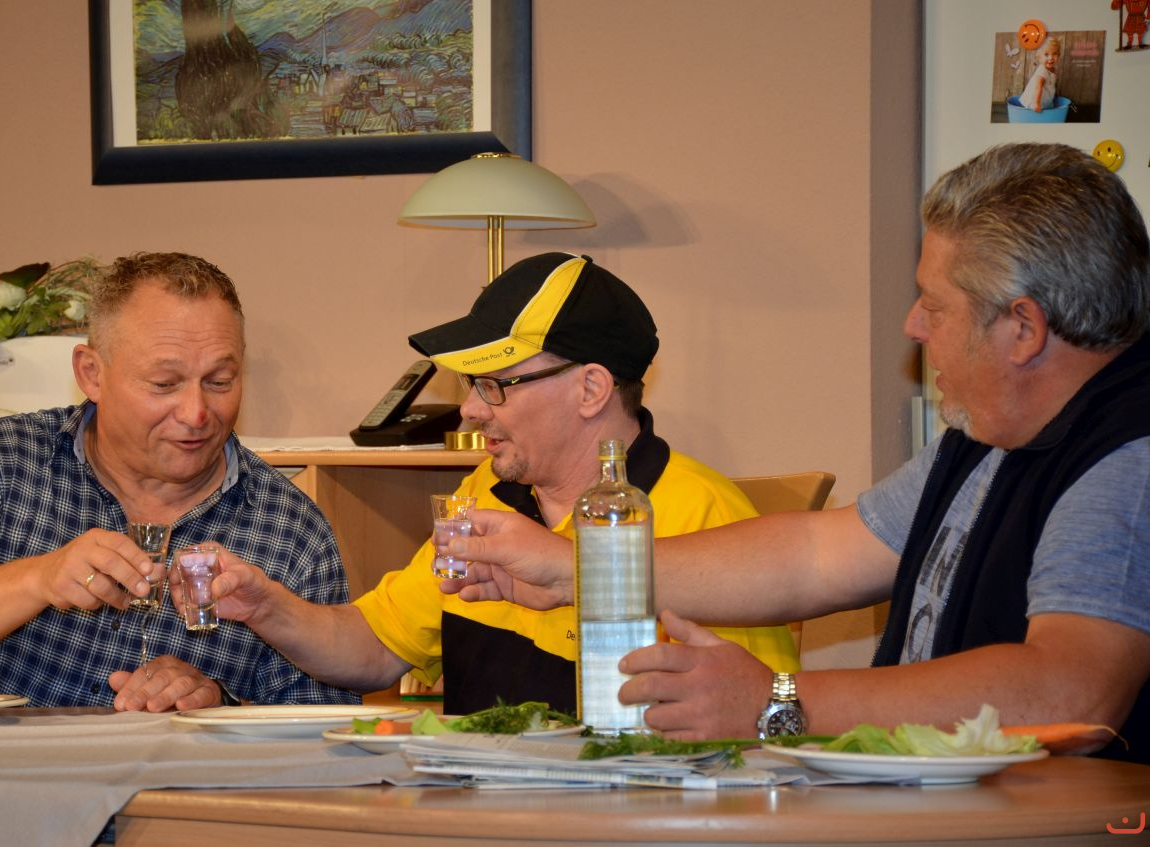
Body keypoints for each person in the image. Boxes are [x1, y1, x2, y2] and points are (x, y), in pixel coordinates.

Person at [441, 144, 1150, 763]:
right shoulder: (988, 436)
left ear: (1023, 328)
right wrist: (576, 569)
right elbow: (818, 555)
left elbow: (1071, 692)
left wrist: (778, 700)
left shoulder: (1129, 457)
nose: (912, 326)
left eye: (934, 307)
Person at [207, 252, 801, 715]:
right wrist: (268, 608)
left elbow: (755, 724)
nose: (470, 410)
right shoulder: (483, 494)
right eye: (471, 384)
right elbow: (373, 649)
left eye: (494, 385)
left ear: (591, 389)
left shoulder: (704, 514)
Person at [0, 252, 358, 711]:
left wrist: (217, 706)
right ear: (91, 375)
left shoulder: (290, 528)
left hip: (180, 776)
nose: (196, 413)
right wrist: (38, 579)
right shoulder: (4, 460)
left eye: (219, 382)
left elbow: (322, 722)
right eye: (164, 384)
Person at [1019, 37, 1060, 112]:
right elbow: (1038, 87)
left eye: (1054, 54)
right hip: (1035, 99)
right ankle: (1034, 107)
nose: (1051, 58)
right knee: (1038, 113)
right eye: (1046, 54)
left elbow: (1050, 85)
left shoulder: (1052, 69)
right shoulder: (1042, 71)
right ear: (1039, 57)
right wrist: (1037, 104)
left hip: (1044, 97)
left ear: (1059, 55)